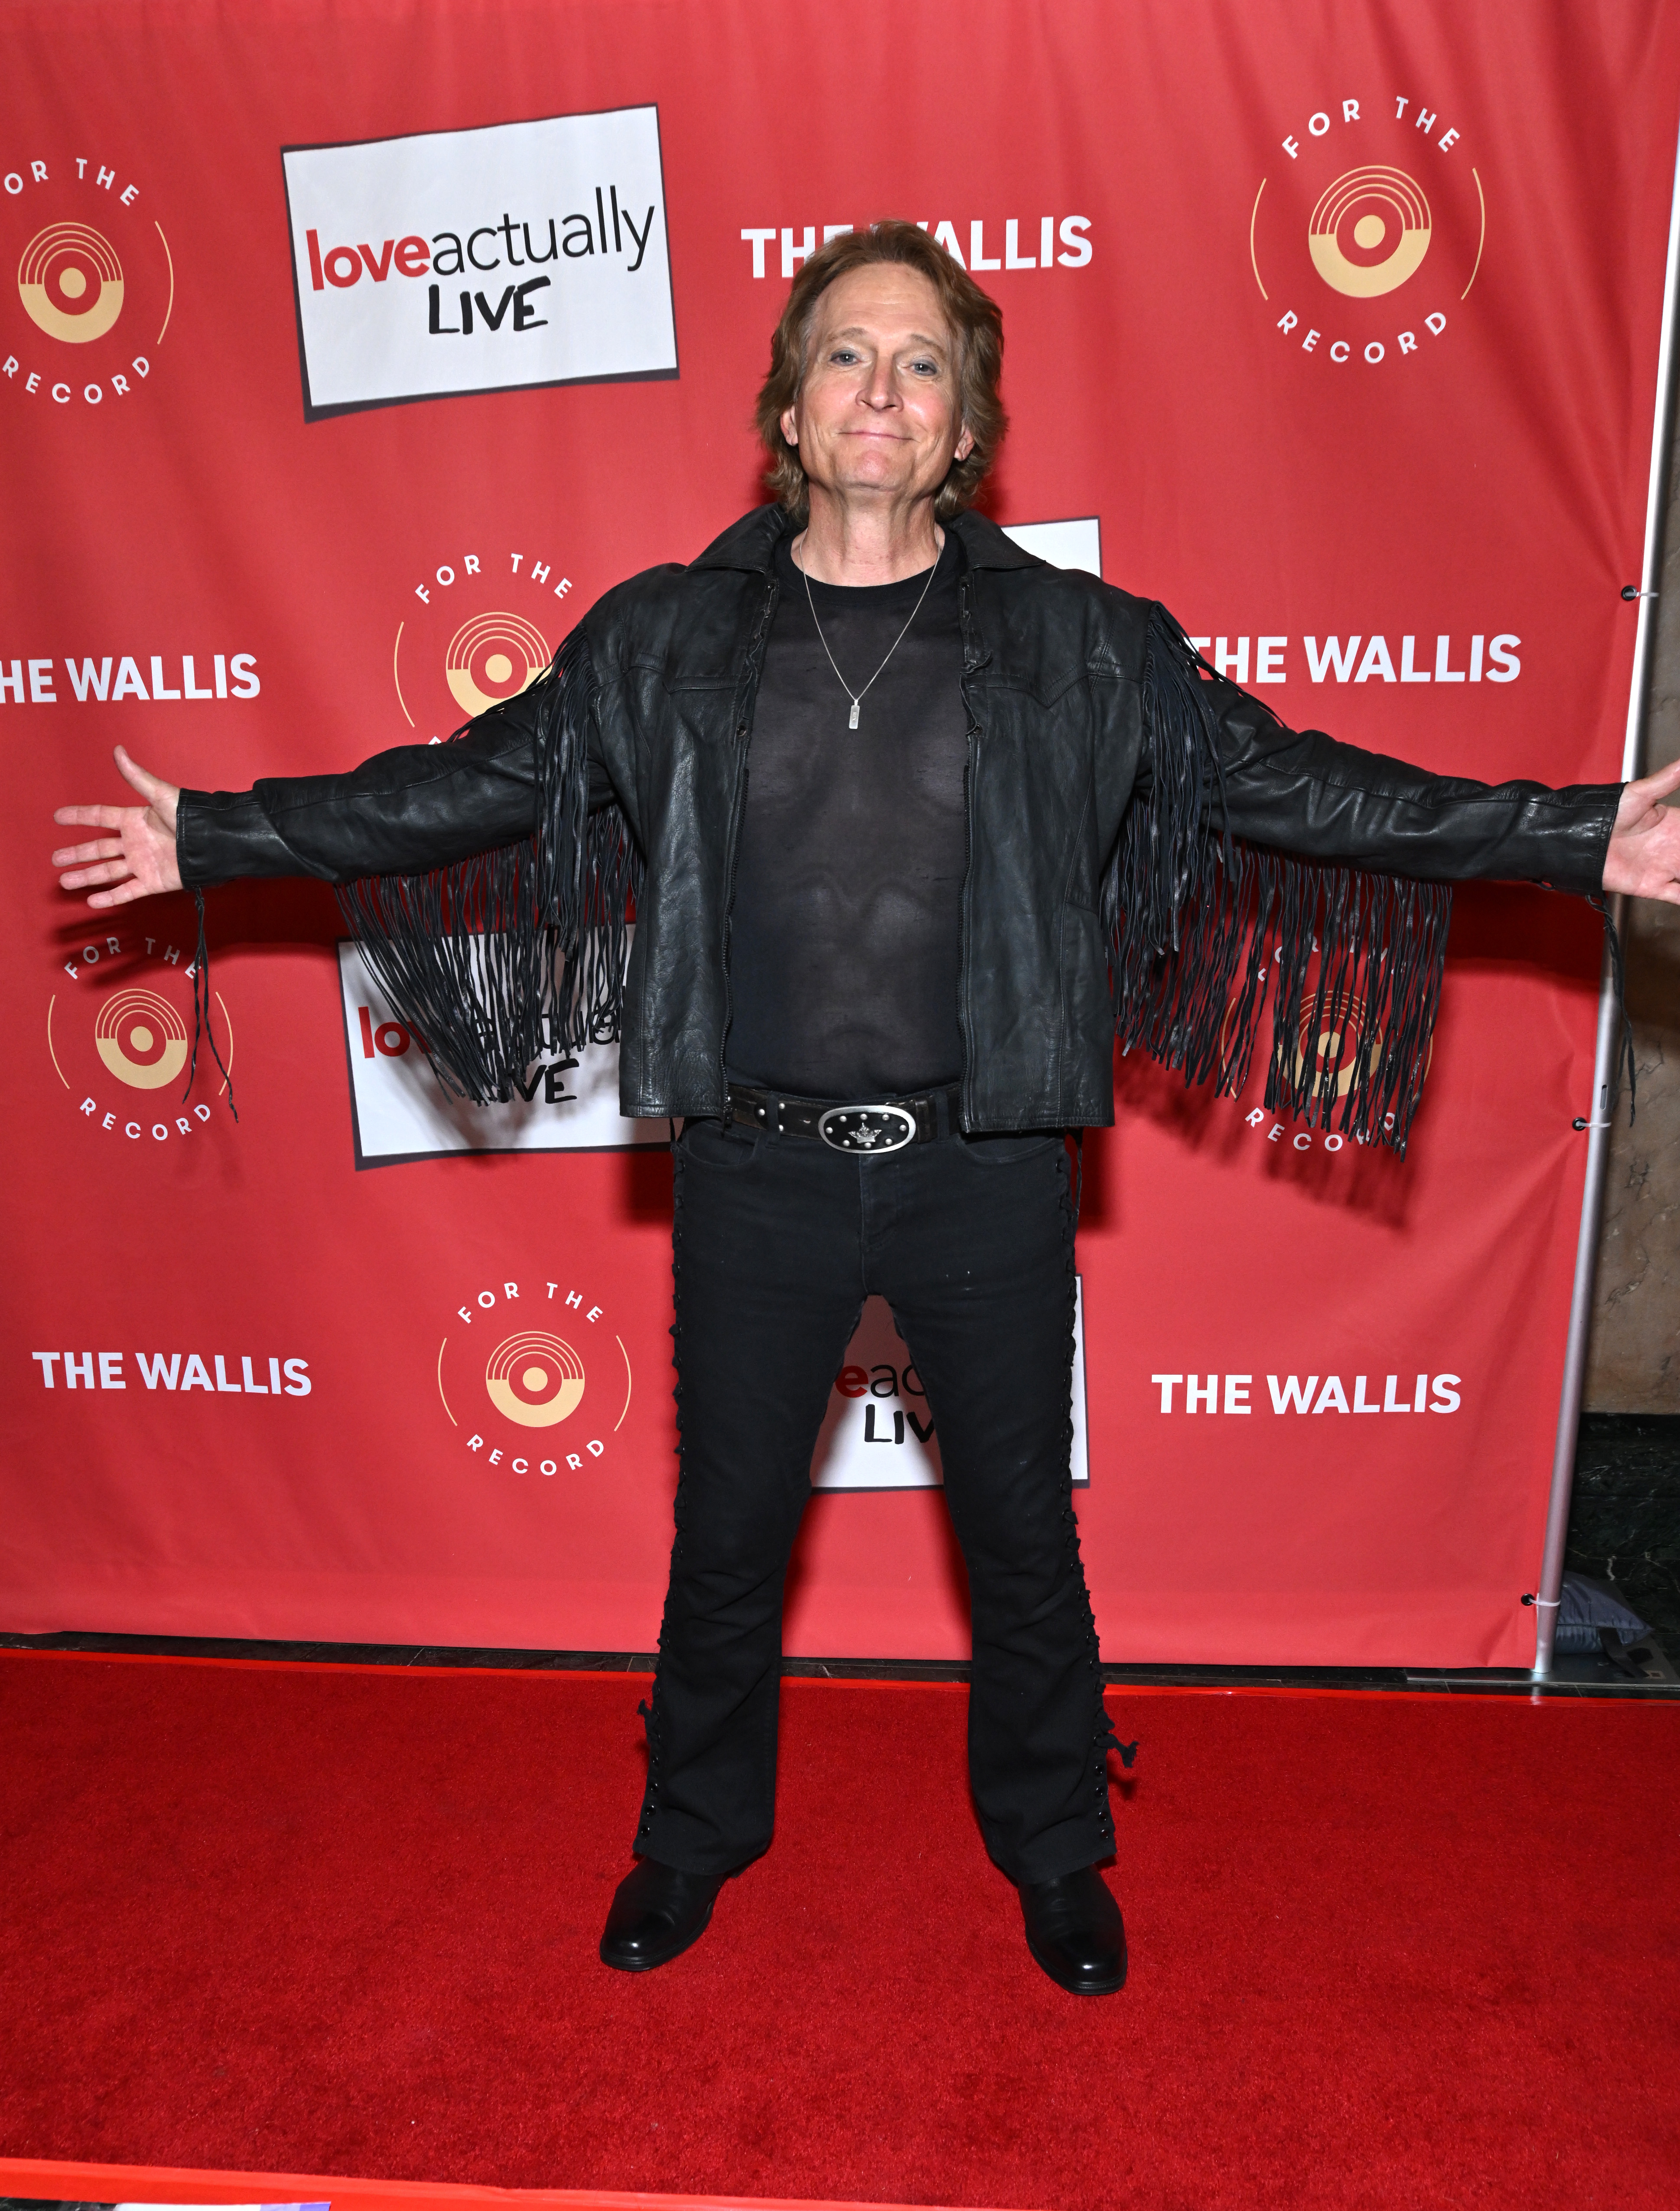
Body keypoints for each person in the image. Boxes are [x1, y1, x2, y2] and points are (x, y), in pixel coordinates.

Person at [52, 223, 1680, 1998]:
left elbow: (1298, 789)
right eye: (846, 356)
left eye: (920, 362)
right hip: (756, 1167)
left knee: (1022, 1542)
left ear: (967, 422)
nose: (881, 391)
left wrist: (1575, 836)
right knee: (730, 1537)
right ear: (791, 408)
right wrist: (215, 836)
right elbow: (464, 789)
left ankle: (1059, 1849)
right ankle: (690, 1839)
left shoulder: (1080, 643)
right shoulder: (661, 637)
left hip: (984, 1169)